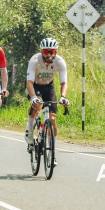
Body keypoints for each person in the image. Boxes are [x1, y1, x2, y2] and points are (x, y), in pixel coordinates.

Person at [25, 38, 69, 166]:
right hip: (34, 86)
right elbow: (29, 82)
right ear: (41, 51)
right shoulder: (34, 60)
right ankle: (29, 129)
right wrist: (33, 97)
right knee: (38, 104)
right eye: (45, 51)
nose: (48, 54)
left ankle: (51, 154)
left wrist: (63, 97)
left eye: (51, 51)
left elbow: (64, 83)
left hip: (49, 87)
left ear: (56, 52)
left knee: (52, 119)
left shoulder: (60, 62)